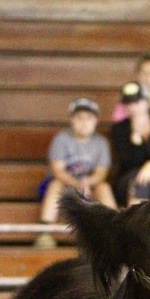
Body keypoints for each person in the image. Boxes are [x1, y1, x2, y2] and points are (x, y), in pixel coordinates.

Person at [37, 97, 116, 248]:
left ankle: (115, 229)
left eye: (88, 118)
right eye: (79, 118)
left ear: (95, 121)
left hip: (90, 185)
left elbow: (101, 173)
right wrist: (77, 184)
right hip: (64, 185)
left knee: (104, 187)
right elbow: (57, 170)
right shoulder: (61, 139)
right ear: (72, 120)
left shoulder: (101, 143)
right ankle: (44, 231)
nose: (84, 123)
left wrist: (87, 183)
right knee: (55, 184)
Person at [111, 52, 150, 124]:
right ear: (137, 74)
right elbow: (116, 120)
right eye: (143, 72)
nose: (147, 77)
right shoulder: (127, 101)